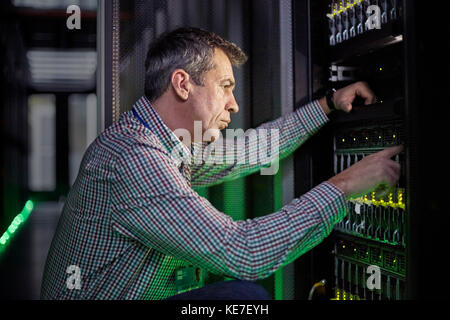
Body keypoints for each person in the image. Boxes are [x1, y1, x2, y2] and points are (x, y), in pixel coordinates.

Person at [40, 27, 402, 300]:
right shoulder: (136, 159)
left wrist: (327, 104)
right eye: (225, 86)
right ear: (182, 84)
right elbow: (246, 252)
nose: (234, 104)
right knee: (245, 300)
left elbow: (251, 150)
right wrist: (345, 186)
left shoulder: (161, 142)